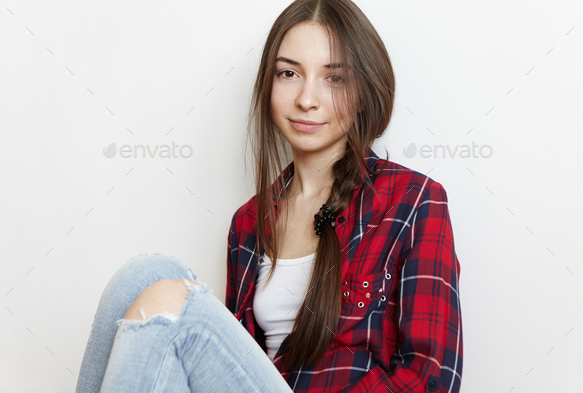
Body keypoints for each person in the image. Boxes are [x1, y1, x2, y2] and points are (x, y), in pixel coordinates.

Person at [75, 0, 463, 392]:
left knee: (172, 299)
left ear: (364, 91)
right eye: (290, 73)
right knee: (142, 277)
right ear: (269, 84)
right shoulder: (248, 223)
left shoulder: (414, 202)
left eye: (334, 79)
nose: (306, 99)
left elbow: (431, 377)